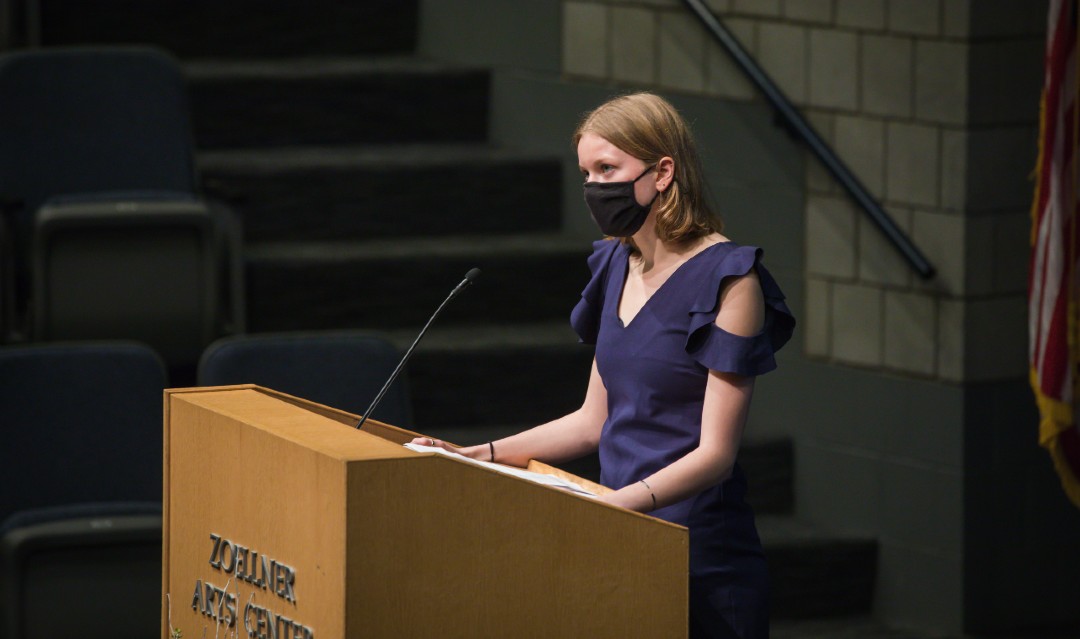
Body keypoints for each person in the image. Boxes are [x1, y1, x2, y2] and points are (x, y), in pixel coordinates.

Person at [412, 92, 794, 639]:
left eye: (608, 169)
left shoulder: (729, 279)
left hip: (696, 554)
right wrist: (484, 455)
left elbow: (715, 454)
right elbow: (594, 420)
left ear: (663, 172)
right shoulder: (615, 261)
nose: (594, 187)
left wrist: (611, 510)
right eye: (587, 172)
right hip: (619, 539)